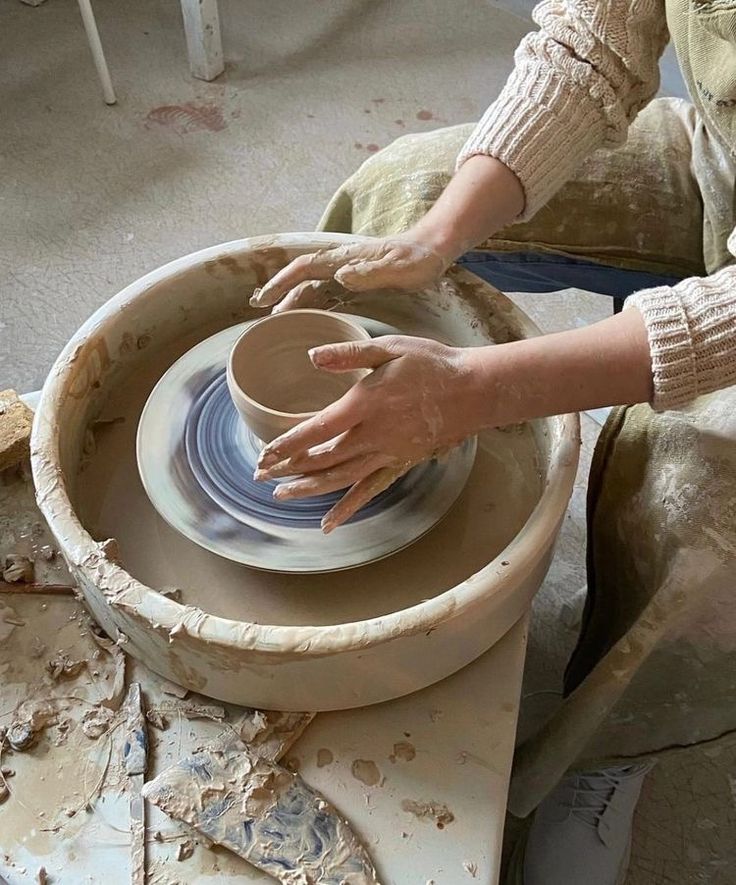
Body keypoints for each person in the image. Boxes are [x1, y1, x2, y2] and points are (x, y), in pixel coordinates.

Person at [251, 2, 736, 882]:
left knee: (699, 509)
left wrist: (474, 391)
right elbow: (596, 39)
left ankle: (610, 748)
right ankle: (363, 466)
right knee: (397, 195)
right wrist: (436, 237)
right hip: (724, 155)